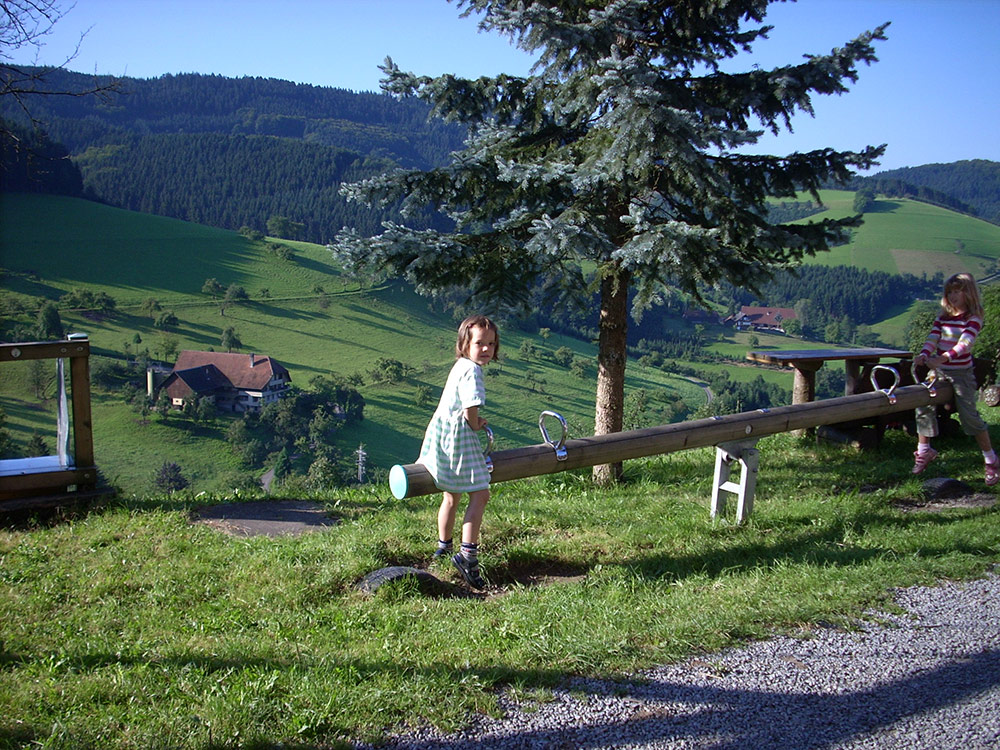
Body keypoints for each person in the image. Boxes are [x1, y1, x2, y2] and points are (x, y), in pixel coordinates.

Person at [417, 314, 498, 589]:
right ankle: (467, 556)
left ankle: (443, 546)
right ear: (465, 344)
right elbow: (470, 407)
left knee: (451, 495)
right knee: (481, 493)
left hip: (441, 432)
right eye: (479, 343)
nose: (486, 349)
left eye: (491, 344)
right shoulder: (473, 371)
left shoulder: (460, 365)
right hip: (459, 436)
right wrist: (475, 425)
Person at [911, 273, 998, 486]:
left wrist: (942, 358)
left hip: (961, 374)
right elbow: (933, 338)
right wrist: (924, 354)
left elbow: (964, 344)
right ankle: (924, 450)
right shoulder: (943, 318)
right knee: (923, 402)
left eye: (957, 291)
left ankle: (991, 459)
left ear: (968, 293)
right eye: (950, 292)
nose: (953, 296)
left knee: (970, 417)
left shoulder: (973, 317)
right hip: (939, 372)